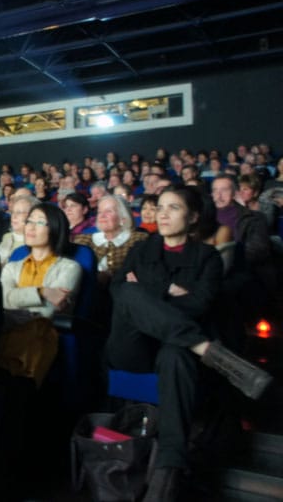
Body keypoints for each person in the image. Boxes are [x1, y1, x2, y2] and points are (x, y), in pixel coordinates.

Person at [105, 185, 272, 500]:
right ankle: (208, 350)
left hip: (174, 349)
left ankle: (168, 474)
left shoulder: (206, 256)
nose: (163, 214)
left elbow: (200, 305)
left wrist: (148, 296)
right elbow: (119, 293)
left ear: (193, 216)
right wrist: (169, 289)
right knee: (128, 294)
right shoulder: (141, 249)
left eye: (174, 208)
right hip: (133, 347)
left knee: (174, 356)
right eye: (161, 207)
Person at [0, 203, 82, 318]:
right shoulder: (11, 267)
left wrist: (13, 299)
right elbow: (2, 300)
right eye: (29, 221)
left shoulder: (70, 268)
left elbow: (49, 311)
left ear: (55, 228)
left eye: (40, 222)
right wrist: (42, 292)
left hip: (44, 332)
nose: (31, 227)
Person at [0, 195, 39, 267]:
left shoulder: (36, 244)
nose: (14, 216)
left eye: (19, 212)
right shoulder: (7, 236)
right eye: (12, 212)